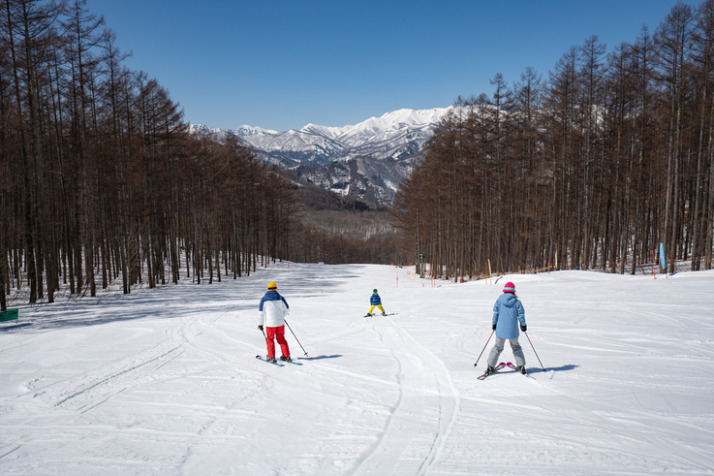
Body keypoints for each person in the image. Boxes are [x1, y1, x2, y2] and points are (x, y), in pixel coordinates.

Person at [485, 281, 527, 375]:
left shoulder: (499, 300)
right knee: (516, 347)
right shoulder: (517, 302)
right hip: (513, 331)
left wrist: (494, 324)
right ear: (513, 291)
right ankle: (521, 366)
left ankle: (490, 366)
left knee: (497, 347)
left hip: (501, 329)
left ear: (504, 291)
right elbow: (521, 314)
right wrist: (523, 325)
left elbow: (496, 312)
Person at [258, 281, 291, 363]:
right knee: (281, 339)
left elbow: (261, 313)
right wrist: (282, 315)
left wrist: (260, 324)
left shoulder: (264, 299)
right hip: (280, 323)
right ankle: (286, 356)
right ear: (276, 288)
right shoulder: (280, 298)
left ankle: (271, 356)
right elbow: (287, 309)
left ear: (268, 289)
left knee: (270, 339)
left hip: (270, 324)